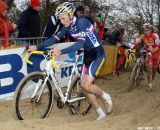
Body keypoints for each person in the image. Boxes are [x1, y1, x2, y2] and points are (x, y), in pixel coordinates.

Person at [27, 2, 113, 120]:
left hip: (98, 54)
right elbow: (54, 39)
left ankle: (105, 96)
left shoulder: (81, 22)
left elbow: (80, 44)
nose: (61, 21)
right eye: (60, 19)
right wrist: (37, 47)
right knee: (84, 88)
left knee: (86, 84)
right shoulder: (67, 27)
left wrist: (60, 52)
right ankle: (100, 112)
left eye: (63, 18)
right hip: (88, 55)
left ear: (70, 14)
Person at [129, 23, 160, 91]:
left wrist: (151, 52)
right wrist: (130, 49)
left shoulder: (155, 35)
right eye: (144, 30)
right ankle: (149, 84)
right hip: (148, 54)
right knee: (149, 69)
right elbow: (135, 43)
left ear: (150, 30)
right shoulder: (142, 36)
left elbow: (158, 46)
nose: (145, 31)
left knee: (154, 71)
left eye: (147, 30)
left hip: (156, 54)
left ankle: (152, 79)